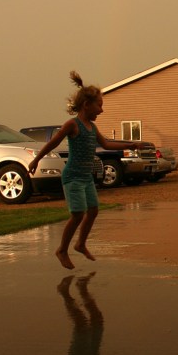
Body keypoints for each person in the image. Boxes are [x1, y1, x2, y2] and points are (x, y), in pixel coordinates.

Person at [29, 71, 138, 269]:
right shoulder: (73, 125)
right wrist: (36, 160)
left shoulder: (92, 127)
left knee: (94, 210)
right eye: (99, 106)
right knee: (78, 213)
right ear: (87, 105)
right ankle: (62, 249)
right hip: (72, 177)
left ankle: (80, 244)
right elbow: (52, 143)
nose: (101, 110)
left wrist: (129, 145)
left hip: (86, 178)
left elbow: (106, 144)